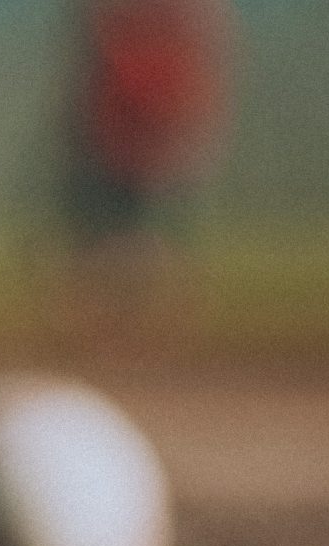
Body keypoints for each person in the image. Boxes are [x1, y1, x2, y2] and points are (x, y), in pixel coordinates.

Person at [60, 0, 234, 340]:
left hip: (162, 133)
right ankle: (101, 326)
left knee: (157, 236)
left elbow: (208, 63)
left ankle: (160, 324)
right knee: (105, 234)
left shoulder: (190, 16)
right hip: (114, 134)